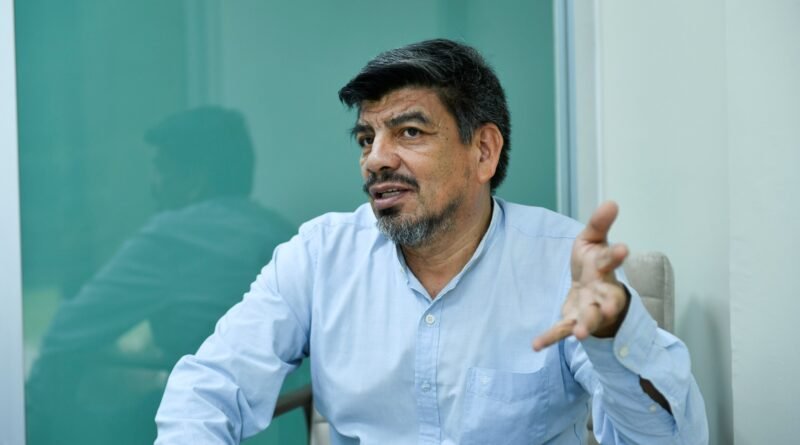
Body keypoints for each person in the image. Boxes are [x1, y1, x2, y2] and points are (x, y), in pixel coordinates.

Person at [155, 40, 708, 444]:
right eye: (366, 138)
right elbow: (209, 387)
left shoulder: (566, 265)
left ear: (483, 152)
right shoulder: (320, 256)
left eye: (410, 132)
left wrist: (613, 335)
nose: (375, 159)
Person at [25, 107, 295, 445]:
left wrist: (31, 421)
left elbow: (66, 332)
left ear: (196, 181)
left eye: (162, 169)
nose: (153, 184)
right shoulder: (280, 231)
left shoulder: (177, 235)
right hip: (279, 425)